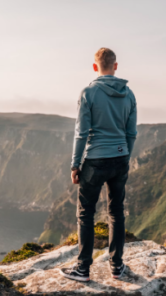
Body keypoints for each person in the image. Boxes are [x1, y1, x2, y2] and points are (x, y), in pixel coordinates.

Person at [59, 48, 137, 282]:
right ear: (116, 66)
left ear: (95, 67)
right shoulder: (129, 94)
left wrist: (75, 165)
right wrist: (125, 157)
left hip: (95, 160)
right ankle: (117, 266)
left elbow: (81, 133)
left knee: (86, 215)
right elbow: (131, 132)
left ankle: (83, 269)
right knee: (116, 213)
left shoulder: (89, 92)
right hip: (120, 158)